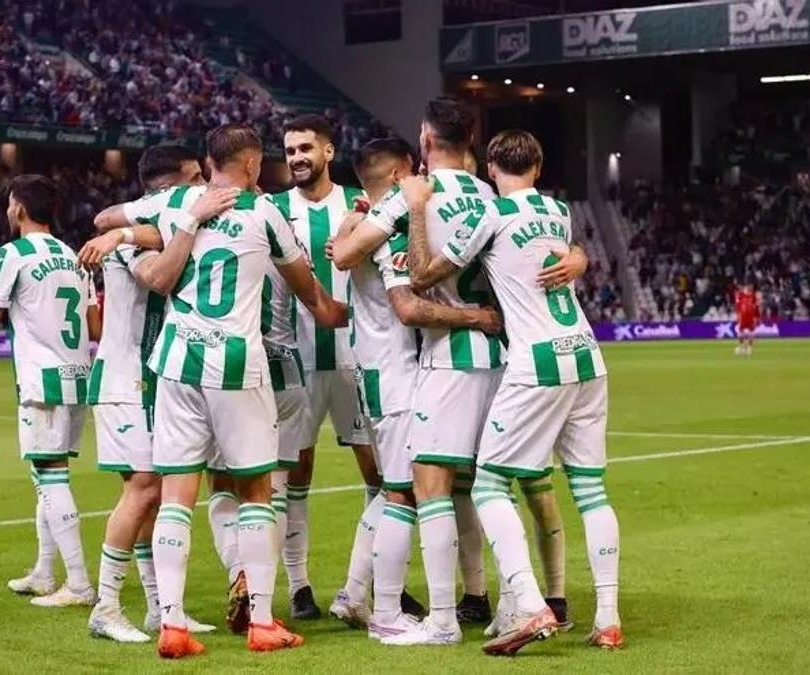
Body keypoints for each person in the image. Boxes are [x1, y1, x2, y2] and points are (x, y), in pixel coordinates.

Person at [334, 97, 587, 645]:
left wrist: (365, 216)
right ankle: (514, 603)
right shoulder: (493, 198)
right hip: (501, 358)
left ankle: (443, 619)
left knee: (426, 487)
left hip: (448, 360)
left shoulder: (414, 195)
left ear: (425, 140)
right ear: (471, 142)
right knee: (489, 485)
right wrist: (579, 254)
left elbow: (345, 255)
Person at [94, 124, 346, 657]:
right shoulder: (266, 213)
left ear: (208, 162)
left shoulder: (176, 201)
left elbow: (109, 217)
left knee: (176, 494)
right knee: (256, 491)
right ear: (252, 165)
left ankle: (172, 624)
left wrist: (126, 234)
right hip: (236, 363)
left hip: (175, 359)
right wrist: (346, 315)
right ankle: (262, 621)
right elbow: (309, 293)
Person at [403, 129, 623, 655]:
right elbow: (565, 250)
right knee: (591, 491)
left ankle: (528, 602)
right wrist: (580, 257)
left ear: (490, 170)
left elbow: (423, 275)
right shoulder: (559, 211)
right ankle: (608, 618)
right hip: (586, 354)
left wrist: (416, 208)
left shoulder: (491, 215)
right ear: (539, 167)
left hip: (536, 360)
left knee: (487, 485)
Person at [327, 136, 503, 641]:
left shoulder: (365, 225)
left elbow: (343, 250)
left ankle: (355, 593)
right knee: (404, 492)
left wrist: (351, 221)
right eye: (414, 171)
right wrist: (476, 317)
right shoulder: (389, 232)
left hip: (379, 368)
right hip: (399, 374)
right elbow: (408, 307)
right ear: (400, 174)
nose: (423, 176)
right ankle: (384, 609)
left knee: (397, 488)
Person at [82, 144, 216, 643]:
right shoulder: (134, 236)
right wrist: (124, 232)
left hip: (153, 380)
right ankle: (106, 607)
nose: (202, 186)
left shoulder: (146, 227)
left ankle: (160, 608)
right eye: (195, 178)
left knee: (155, 495)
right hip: (125, 381)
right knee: (143, 487)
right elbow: (157, 277)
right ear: (170, 186)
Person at [0, 175, 103, 609]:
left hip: (42, 380)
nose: (7, 210)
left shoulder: (13, 253)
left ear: (18, 208)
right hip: (78, 376)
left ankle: (78, 584)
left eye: (9, 203)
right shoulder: (75, 256)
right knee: (46, 476)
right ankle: (44, 571)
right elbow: (94, 328)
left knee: (51, 478)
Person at [267, 114, 379, 620]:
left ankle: (372, 582)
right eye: (290, 150)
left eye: (305, 148)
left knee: (381, 475)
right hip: (296, 363)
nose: (296, 157)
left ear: (328, 152)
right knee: (297, 474)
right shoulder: (273, 209)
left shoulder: (360, 204)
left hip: (358, 358)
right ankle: (299, 587)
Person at [735, 283, 759, 356]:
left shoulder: (753, 296)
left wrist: (756, 317)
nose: (749, 288)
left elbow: (756, 307)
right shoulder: (741, 295)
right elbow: (738, 306)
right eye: (748, 287)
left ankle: (749, 347)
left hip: (750, 317)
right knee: (740, 333)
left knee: (751, 333)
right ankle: (742, 346)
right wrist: (738, 316)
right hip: (743, 317)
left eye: (751, 287)